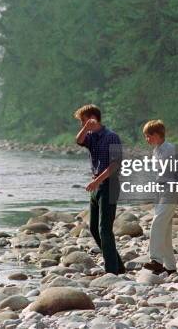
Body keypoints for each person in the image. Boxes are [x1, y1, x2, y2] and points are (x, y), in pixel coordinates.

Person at [74, 104, 125, 274]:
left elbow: (116, 164)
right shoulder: (90, 136)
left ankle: (112, 271)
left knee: (105, 228)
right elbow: (78, 140)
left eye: (83, 120)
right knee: (94, 228)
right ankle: (118, 265)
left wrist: (98, 181)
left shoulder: (112, 137)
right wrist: (86, 128)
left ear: (92, 118)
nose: (82, 124)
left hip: (109, 185)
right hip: (96, 185)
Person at [142, 119, 178, 275]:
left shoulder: (170, 149)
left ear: (158, 134)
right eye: (146, 136)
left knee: (157, 223)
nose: (147, 139)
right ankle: (171, 267)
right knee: (164, 229)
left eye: (149, 135)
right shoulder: (156, 150)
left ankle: (156, 260)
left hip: (171, 189)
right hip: (160, 190)